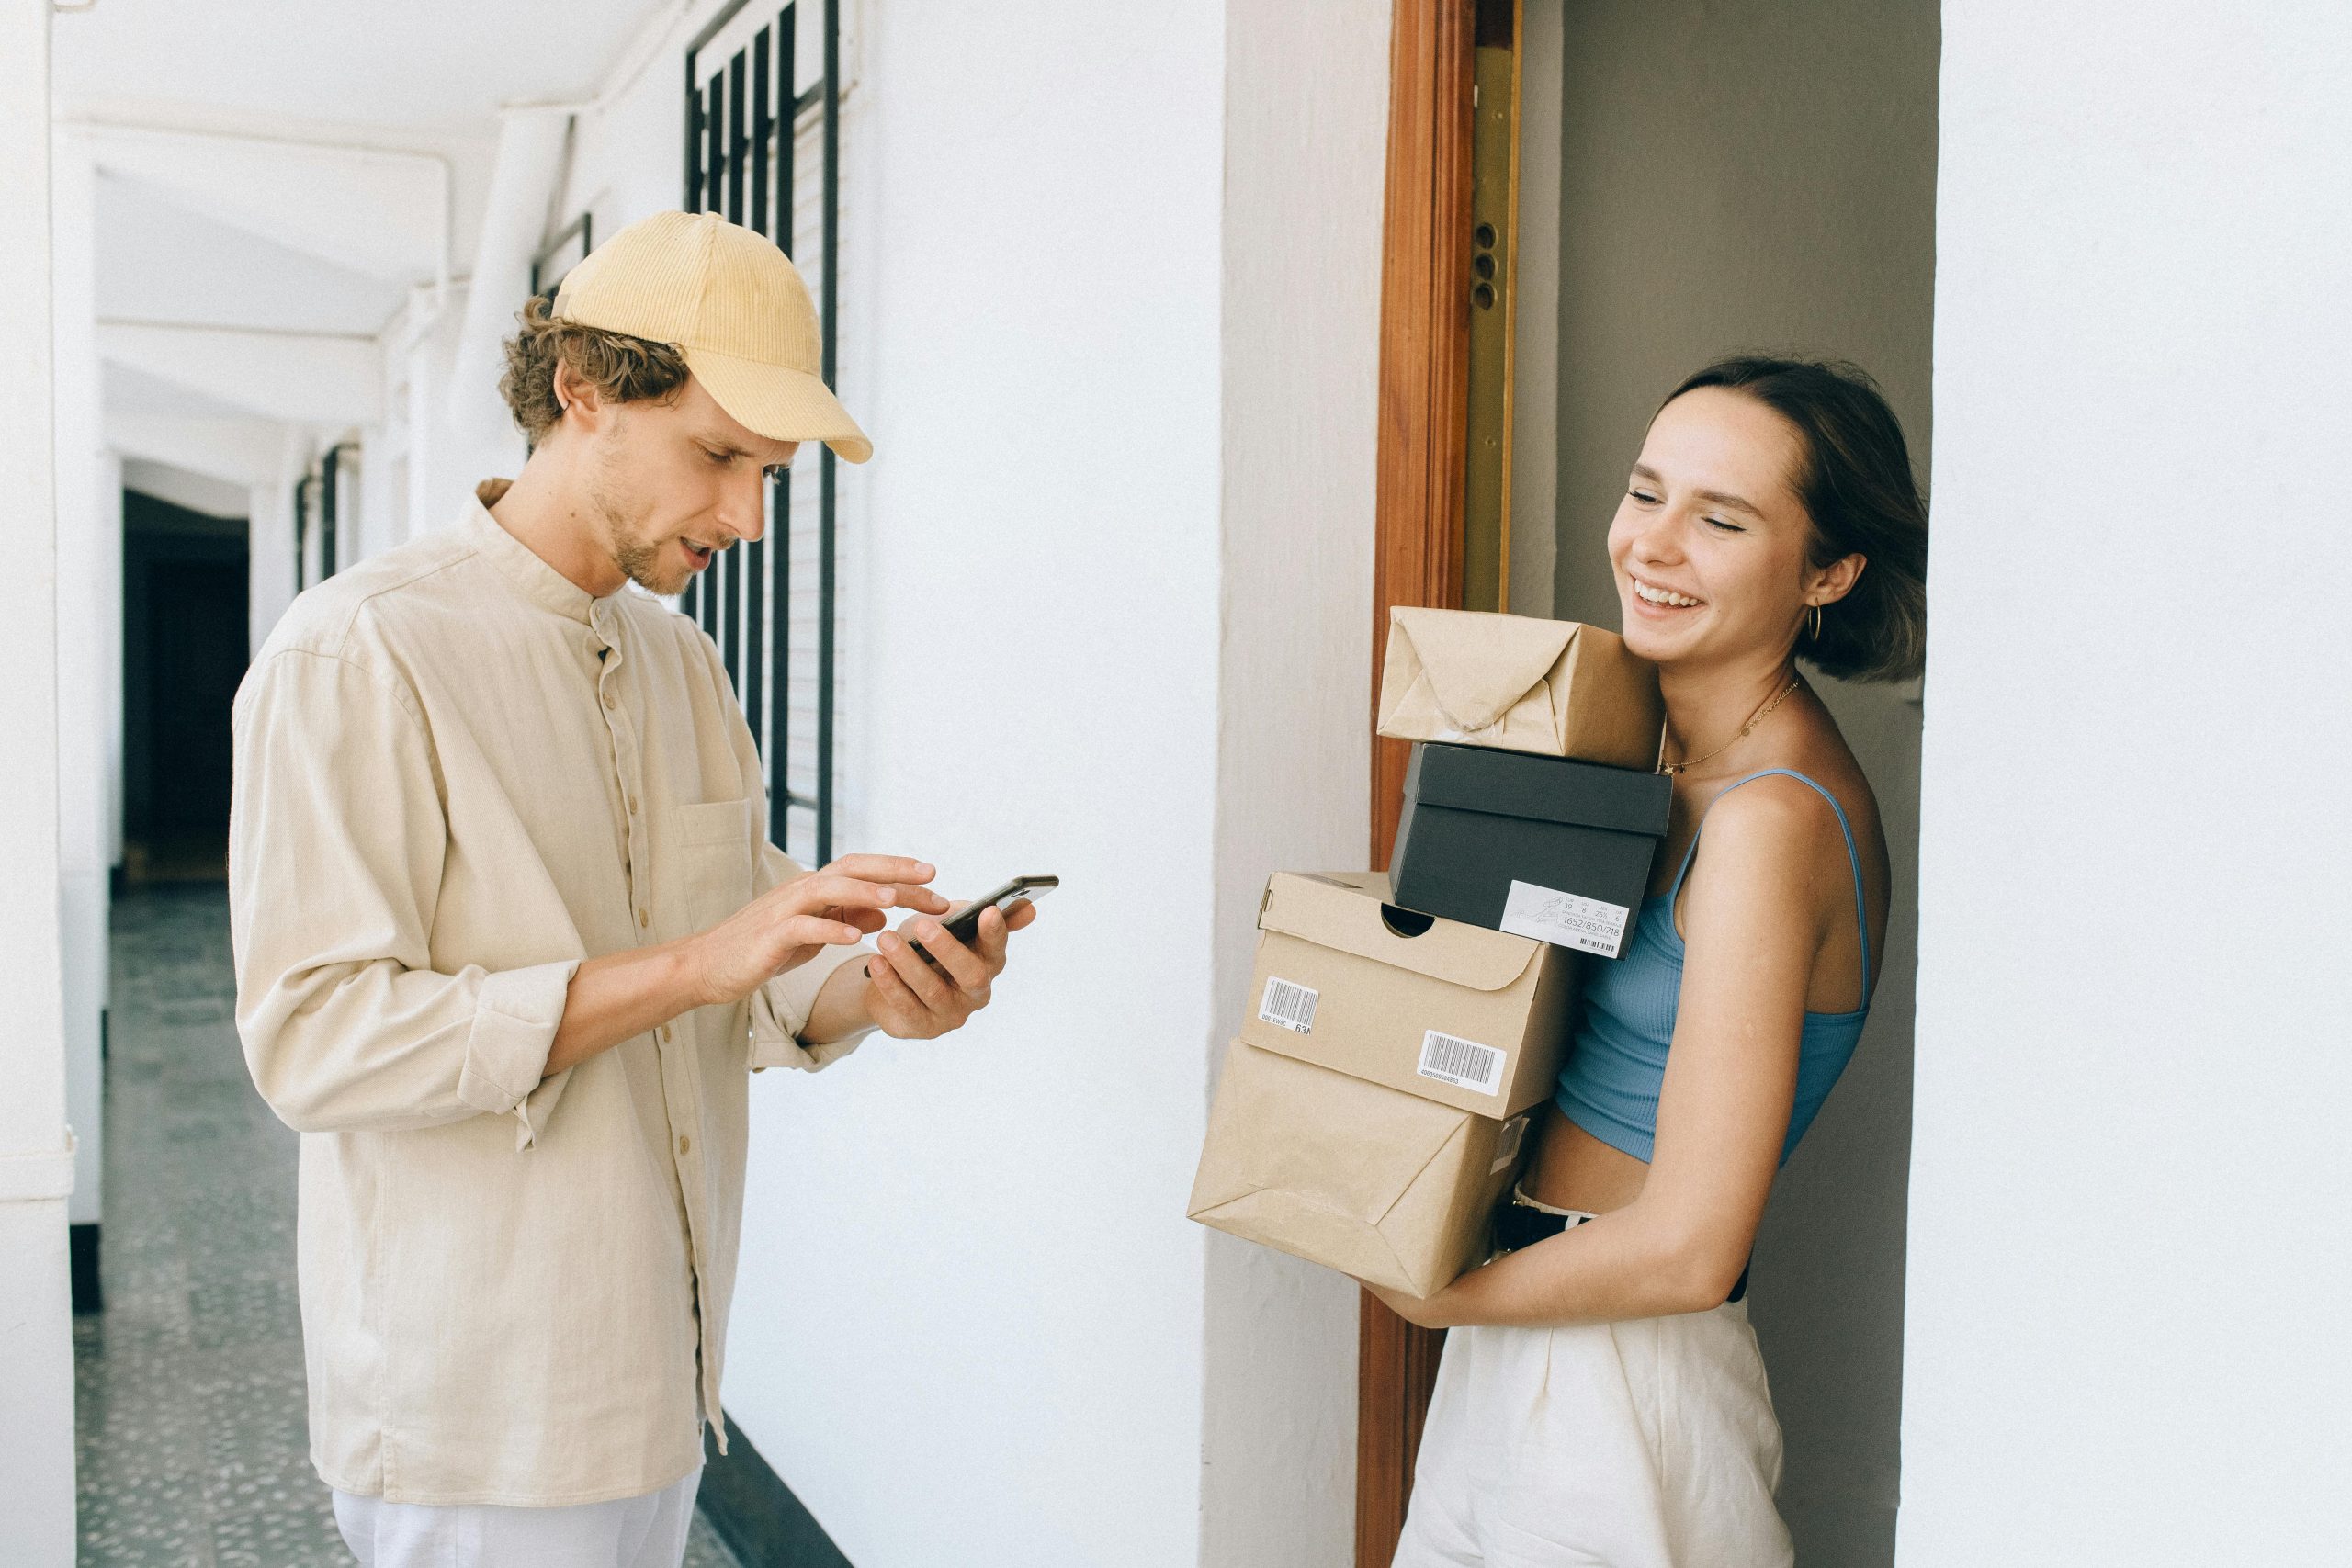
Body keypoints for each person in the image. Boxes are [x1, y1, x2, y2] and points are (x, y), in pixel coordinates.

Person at [228, 210, 1035, 1568]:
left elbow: (756, 961)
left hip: (664, 1380)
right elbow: (315, 1042)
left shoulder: (682, 667)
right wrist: (696, 967)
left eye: (770, 472)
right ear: (581, 392)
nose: (748, 516)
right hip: (478, 1412)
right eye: (720, 456)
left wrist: (874, 993)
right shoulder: (360, 651)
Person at [1377, 355, 1928, 1567]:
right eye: (1647, 493)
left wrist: (1437, 1295)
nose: (1654, 545)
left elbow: (1691, 1243)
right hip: (1537, 1329)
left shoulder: (1769, 821)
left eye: (1720, 519)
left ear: (1828, 573)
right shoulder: (1655, 759)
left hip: (1617, 1374)